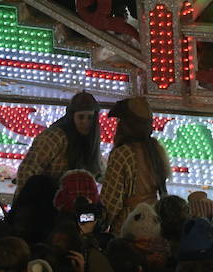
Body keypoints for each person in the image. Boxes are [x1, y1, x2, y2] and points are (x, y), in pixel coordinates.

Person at [100, 97, 171, 233]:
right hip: (153, 221)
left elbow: (111, 201)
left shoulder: (123, 153)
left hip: (129, 224)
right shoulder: (155, 149)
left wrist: (100, 226)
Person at [14, 91, 103, 189]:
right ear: (72, 117)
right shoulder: (54, 137)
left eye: (90, 118)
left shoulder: (91, 139)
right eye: (81, 117)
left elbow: (97, 170)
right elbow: (26, 171)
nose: (85, 122)